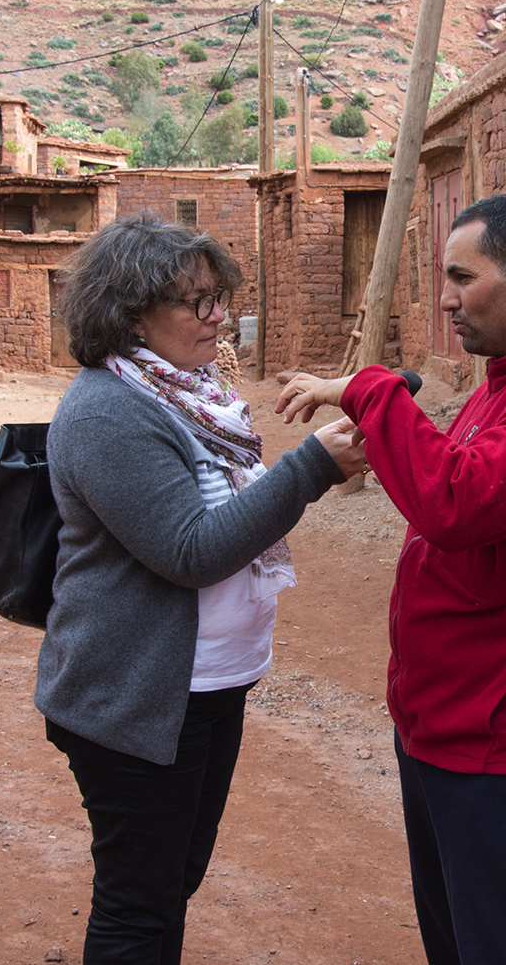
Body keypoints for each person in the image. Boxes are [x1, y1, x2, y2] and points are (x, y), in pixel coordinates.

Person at [277, 193, 506, 965]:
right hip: (449, 728)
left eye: (462, 277)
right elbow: (453, 474)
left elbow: (455, 503)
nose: (446, 298)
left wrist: (372, 389)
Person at [36, 212, 367, 964]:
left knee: (168, 883)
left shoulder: (191, 392)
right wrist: (310, 468)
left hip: (205, 686)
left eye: (219, 296)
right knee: (138, 901)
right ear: (130, 314)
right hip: (136, 696)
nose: (220, 316)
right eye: (197, 302)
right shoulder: (108, 411)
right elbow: (189, 550)